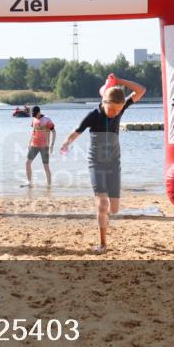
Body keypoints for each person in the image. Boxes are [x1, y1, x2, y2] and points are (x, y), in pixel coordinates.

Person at [59, 76, 146, 254]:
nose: (115, 113)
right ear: (104, 102)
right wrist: (66, 143)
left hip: (114, 164)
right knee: (102, 204)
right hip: (96, 164)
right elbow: (76, 132)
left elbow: (141, 91)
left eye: (118, 110)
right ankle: (103, 244)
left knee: (113, 209)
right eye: (112, 109)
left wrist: (120, 80)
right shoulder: (93, 115)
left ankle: (105, 218)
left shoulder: (120, 108)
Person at [25, 106, 55, 187]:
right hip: (34, 145)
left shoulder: (47, 119)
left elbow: (54, 132)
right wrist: (29, 143)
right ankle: (29, 182)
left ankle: (49, 186)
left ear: (39, 112)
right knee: (27, 163)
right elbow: (33, 131)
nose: (34, 115)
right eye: (33, 114)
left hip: (44, 146)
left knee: (46, 167)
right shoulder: (34, 119)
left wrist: (52, 145)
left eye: (35, 114)